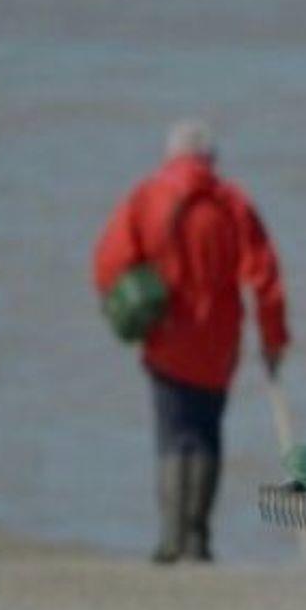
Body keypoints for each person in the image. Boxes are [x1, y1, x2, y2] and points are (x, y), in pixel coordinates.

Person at [92, 119, 289, 563]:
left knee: (172, 434)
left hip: (165, 337)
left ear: (171, 156)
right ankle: (198, 538)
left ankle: (170, 536)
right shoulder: (232, 202)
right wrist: (273, 340)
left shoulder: (146, 197)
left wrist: (124, 308)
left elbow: (108, 264)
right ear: (210, 159)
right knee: (205, 433)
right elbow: (265, 279)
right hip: (218, 343)